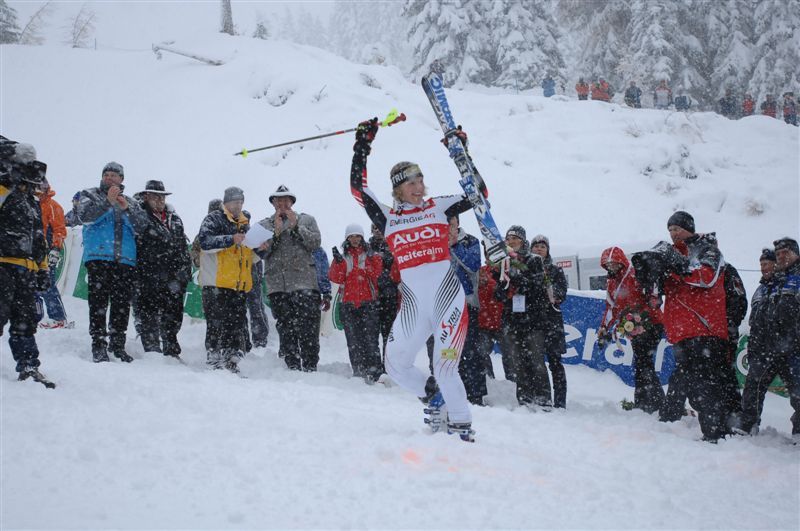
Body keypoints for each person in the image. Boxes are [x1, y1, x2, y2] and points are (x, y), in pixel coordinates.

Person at [349, 117, 483, 441]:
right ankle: (435, 399)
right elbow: (358, 189)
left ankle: (462, 428)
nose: (419, 187)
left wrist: (462, 153)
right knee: (395, 364)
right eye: (411, 183)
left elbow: (479, 193)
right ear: (398, 189)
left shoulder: (440, 207)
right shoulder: (388, 218)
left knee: (445, 366)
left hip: (447, 299)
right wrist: (363, 145)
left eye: (421, 180)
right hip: (414, 306)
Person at [656, 211, 732, 442]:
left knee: (705, 385)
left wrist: (678, 268)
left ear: (689, 228)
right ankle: (682, 428)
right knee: (687, 384)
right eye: (670, 230)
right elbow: (664, 289)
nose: (673, 233)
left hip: (704, 329)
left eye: (677, 228)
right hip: (681, 332)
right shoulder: (673, 255)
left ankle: (715, 433)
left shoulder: (708, 250)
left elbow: (706, 277)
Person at [77, 162, 147, 363]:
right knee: (98, 304)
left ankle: (118, 345)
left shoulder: (131, 201)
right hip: (99, 257)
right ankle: (98, 344)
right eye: (106, 174)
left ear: (121, 179)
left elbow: (142, 227)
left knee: (121, 305)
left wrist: (127, 210)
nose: (109, 178)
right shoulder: (89, 194)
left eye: (113, 175)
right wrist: (107, 202)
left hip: (125, 260)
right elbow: (85, 216)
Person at [0, 140, 55, 387]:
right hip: (2, 263)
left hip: (27, 269)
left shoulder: (32, 202)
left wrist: (42, 269)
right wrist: (6, 183)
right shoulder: (4, 190)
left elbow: (38, 238)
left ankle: (29, 366)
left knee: (25, 321)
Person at [257, 185, 322, 372]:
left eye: (286, 200)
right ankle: (291, 364)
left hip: (304, 283)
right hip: (278, 285)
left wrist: (296, 227)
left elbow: (315, 243)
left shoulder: (307, 220)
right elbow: (261, 252)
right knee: (285, 326)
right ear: (273, 203)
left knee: (308, 326)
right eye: (278, 200)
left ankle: (310, 365)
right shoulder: (264, 225)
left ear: (292, 202)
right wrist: (275, 233)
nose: (282, 204)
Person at [598, 246, 665, 413]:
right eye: (608, 264)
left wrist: (641, 317)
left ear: (622, 262)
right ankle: (649, 402)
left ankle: (651, 403)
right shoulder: (611, 282)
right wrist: (604, 327)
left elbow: (653, 299)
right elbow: (611, 308)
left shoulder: (636, 274)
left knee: (643, 362)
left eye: (614, 263)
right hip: (634, 327)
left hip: (651, 324)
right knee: (642, 363)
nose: (611, 267)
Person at [494, 226, 553, 409]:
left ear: (523, 240)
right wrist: (502, 285)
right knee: (517, 362)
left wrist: (517, 279)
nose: (511, 241)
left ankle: (543, 398)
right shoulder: (503, 261)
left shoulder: (534, 259)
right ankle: (524, 398)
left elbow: (537, 287)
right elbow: (499, 293)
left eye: (515, 238)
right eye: (508, 238)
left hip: (533, 320)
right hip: (512, 320)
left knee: (536, 360)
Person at [198, 186, 254, 373]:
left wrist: (260, 249)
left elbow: (250, 256)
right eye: (234, 202)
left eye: (240, 202)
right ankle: (213, 359)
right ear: (226, 203)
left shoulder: (245, 224)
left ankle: (231, 361)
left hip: (238, 285)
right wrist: (230, 239)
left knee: (235, 326)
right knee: (216, 324)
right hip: (216, 282)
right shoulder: (213, 219)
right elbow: (205, 242)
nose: (238, 206)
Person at [133, 180, 191, 358]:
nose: (160, 200)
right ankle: (152, 351)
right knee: (148, 312)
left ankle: (171, 349)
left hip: (173, 275)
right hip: (148, 274)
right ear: (146, 197)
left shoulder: (175, 218)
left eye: (162, 197)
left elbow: (182, 246)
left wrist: (185, 270)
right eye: (155, 197)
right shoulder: (140, 216)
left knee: (173, 313)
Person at [328, 223, 383, 382]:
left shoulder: (370, 255)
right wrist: (338, 263)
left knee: (371, 340)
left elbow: (377, 275)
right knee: (353, 341)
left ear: (362, 237)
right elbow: (336, 278)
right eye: (351, 236)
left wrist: (372, 261)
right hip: (348, 304)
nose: (354, 239)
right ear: (347, 238)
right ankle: (358, 372)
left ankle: (375, 373)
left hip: (368, 302)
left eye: (357, 236)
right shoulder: (343, 257)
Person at [760, 238, 800, 440]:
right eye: (778, 254)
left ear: (796, 253)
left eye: (786, 252)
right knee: (796, 395)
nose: (781, 256)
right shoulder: (777, 280)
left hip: (796, 346)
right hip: (782, 347)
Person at [447, 214, 486, 405]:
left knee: (470, 350)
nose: (448, 226)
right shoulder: (434, 243)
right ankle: (451, 391)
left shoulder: (470, 241)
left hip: (467, 304)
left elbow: (473, 265)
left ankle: (475, 394)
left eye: (451, 223)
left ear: (458, 223)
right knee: (448, 352)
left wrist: (455, 245)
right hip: (444, 307)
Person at [739, 248, 778, 435]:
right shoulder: (760, 290)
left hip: (786, 347)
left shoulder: (788, 285)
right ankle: (748, 426)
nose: (763, 267)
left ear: (777, 264)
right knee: (753, 388)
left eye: (767, 263)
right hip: (761, 349)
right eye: (761, 264)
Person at [528, 234, 568, 408]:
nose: (539, 249)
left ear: (548, 250)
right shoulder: (525, 268)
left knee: (555, 363)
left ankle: (560, 402)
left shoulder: (555, 270)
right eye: (536, 246)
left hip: (552, 323)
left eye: (542, 247)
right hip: (533, 322)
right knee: (535, 362)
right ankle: (541, 398)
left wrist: (548, 289)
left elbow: (561, 294)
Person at [35, 178, 70, 329]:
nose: (38, 190)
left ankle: (58, 317)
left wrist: (55, 249)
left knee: (47, 284)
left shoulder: (53, 206)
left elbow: (59, 230)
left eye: (41, 186)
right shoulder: (29, 203)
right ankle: (34, 316)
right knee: (30, 284)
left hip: (46, 251)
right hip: (30, 251)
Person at [476, 244, 511, 381]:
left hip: (504, 321)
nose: (490, 256)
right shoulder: (481, 271)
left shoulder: (508, 271)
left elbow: (508, 293)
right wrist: (481, 284)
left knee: (510, 355)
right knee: (482, 353)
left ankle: (513, 384)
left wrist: (490, 283)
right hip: (484, 322)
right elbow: (478, 296)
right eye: (487, 253)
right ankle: (489, 382)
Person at [369, 223, 400, 362]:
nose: (378, 231)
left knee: (390, 334)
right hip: (372, 297)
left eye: (381, 228)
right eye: (375, 228)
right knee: (371, 334)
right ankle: (374, 366)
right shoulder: (367, 247)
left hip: (390, 296)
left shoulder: (394, 245)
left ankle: (389, 364)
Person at [246, 256, 270, 349]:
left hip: (252, 263)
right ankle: (243, 341)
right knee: (254, 305)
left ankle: (260, 340)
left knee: (256, 305)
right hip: (237, 264)